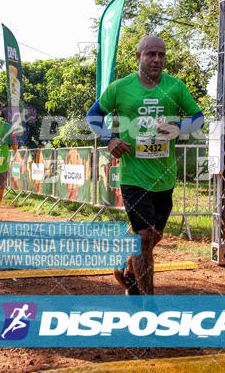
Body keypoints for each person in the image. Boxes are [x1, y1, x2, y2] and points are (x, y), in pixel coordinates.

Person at [87, 36, 204, 294]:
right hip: (133, 176)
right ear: (138, 57)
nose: (157, 60)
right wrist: (109, 139)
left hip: (164, 176)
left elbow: (199, 118)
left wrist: (179, 127)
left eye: (162, 55)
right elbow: (93, 115)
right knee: (143, 237)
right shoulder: (121, 88)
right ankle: (146, 304)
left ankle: (127, 269)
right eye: (151, 54)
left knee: (154, 237)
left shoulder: (175, 87)